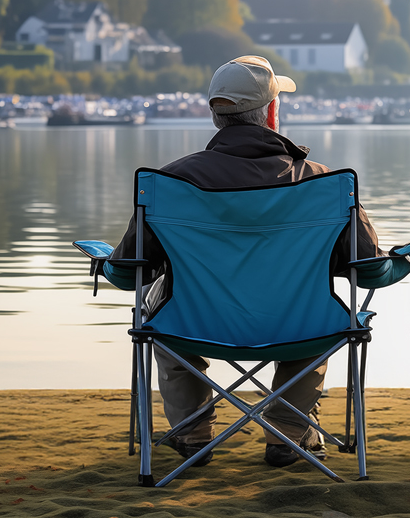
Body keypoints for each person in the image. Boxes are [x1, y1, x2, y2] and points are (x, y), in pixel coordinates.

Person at [110, 56, 381, 468]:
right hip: (297, 330)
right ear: (271, 113)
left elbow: (130, 271)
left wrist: (105, 262)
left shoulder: (168, 184)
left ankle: (193, 433)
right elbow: (369, 267)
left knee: (156, 308)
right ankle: (289, 432)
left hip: (196, 328)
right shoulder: (324, 183)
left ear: (216, 115)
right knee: (319, 309)